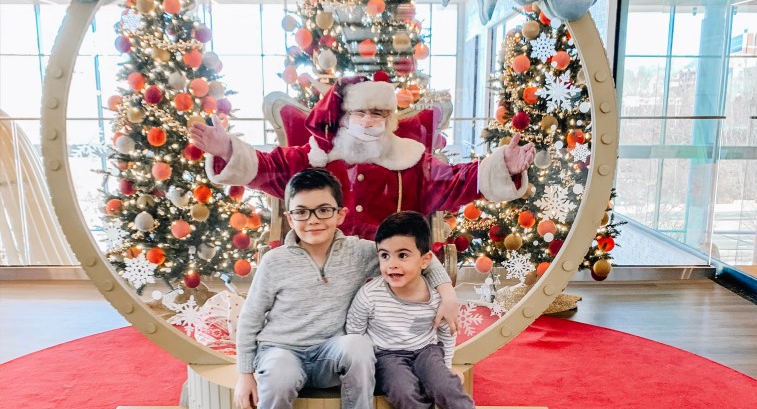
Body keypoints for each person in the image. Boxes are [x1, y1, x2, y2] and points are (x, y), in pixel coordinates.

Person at [233, 169, 458, 409]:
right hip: (282, 351)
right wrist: (244, 374)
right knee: (279, 372)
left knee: (359, 345)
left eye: (324, 210)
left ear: (340, 214)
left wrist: (447, 294)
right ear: (289, 217)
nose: (313, 220)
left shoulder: (358, 252)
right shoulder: (275, 262)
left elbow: (418, 255)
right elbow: (251, 318)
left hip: (332, 354)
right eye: (302, 212)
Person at [189, 76, 536, 241]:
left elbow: (454, 181)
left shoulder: (411, 160)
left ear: (389, 119)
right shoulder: (314, 157)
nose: (369, 121)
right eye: (361, 113)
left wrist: (502, 165)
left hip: (386, 267)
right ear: (344, 117)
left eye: (378, 113)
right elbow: (269, 168)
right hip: (321, 265)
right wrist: (227, 150)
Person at [346, 210, 505, 409]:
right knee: (401, 388)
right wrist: (368, 364)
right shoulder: (369, 294)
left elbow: (446, 332)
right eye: (384, 256)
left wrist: (447, 364)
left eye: (402, 255)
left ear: (425, 260)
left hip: (426, 350)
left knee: (445, 384)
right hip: (386, 355)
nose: (391, 264)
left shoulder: (436, 297)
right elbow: (354, 331)